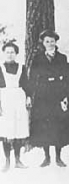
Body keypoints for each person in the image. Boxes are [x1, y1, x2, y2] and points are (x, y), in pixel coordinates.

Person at [28, 29, 69, 167]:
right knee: (44, 126)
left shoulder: (62, 58)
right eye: (47, 41)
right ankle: (47, 157)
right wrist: (30, 95)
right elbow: (32, 78)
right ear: (43, 43)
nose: (50, 44)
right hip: (42, 95)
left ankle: (58, 157)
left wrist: (64, 96)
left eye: (52, 41)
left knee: (58, 125)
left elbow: (66, 78)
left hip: (57, 94)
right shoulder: (38, 58)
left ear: (56, 42)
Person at [0, 42, 30, 171]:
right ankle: (7, 161)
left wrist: (28, 97)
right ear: (4, 53)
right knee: (6, 131)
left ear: (16, 54)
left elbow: (26, 84)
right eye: (7, 52)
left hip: (19, 99)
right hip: (4, 100)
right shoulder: (0, 68)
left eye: (12, 52)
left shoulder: (21, 68)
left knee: (18, 130)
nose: (10, 54)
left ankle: (18, 160)